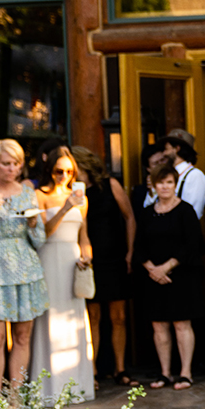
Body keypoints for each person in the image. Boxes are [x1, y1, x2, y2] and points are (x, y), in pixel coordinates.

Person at [30, 147, 94, 402]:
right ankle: (48, 389)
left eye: (69, 171)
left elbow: (84, 234)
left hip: (73, 260)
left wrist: (87, 256)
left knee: (73, 320)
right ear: (50, 170)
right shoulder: (40, 195)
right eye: (59, 171)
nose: (64, 176)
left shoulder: (82, 197)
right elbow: (41, 233)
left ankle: (76, 386)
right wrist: (65, 207)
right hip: (49, 258)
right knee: (50, 320)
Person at [72, 146, 138, 388]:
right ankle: (93, 371)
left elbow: (129, 216)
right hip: (89, 259)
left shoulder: (111, 185)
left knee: (119, 316)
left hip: (115, 257)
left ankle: (121, 369)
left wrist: (130, 252)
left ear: (84, 164)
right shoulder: (74, 192)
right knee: (93, 317)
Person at [134, 164, 204, 390]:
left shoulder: (186, 210)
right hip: (153, 278)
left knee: (182, 324)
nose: (165, 186)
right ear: (153, 185)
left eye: (169, 182)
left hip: (181, 277)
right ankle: (165, 373)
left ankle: (185, 373)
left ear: (175, 185)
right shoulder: (146, 213)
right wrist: (152, 269)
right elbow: (139, 246)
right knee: (159, 326)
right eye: (160, 182)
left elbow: (194, 245)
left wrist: (167, 267)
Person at [0, 138, 48, 392]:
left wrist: (34, 225)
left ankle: (16, 399)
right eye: (5, 163)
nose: (11, 168)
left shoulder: (28, 193)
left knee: (22, 337)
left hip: (25, 268)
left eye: (16, 163)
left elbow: (39, 240)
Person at [161, 131, 205, 219]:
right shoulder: (165, 174)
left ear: (177, 149)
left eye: (166, 149)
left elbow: (192, 214)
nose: (164, 154)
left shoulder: (195, 176)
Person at [131, 143, 166, 215]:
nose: (161, 165)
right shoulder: (139, 192)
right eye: (156, 163)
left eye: (162, 160)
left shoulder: (178, 181)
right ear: (148, 169)